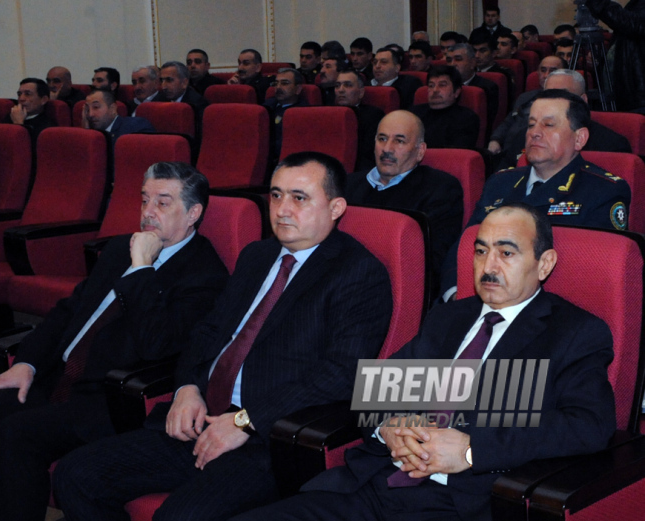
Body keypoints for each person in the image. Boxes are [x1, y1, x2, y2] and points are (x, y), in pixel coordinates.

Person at [54, 151, 393, 521]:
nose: (281, 209)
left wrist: (245, 421)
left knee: (180, 516)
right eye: (276, 195)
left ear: (336, 207)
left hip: (267, 438)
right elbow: (208, 332)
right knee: (76, 475)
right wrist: (186, 388)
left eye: (299, 198)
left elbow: (340, 374)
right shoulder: (258, 256)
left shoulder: (358, 273)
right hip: (201, 418)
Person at [229, 201, 615, 521]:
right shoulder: (450, 317)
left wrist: (470, 450)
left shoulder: (574, 333)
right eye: (480, 251)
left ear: (544, 263)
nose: (489, 266)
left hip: (462, 502)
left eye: (506, 252)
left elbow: (589, 425)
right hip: (373, 487)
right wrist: (389, 427)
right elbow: (374, 390)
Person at [0, 161, 229, 521]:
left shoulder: (204, 275)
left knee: (16, 434)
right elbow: (69, 311)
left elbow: (156, 345)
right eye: (144, 200)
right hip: (56, 376)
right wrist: (27, 363)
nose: (148, 212)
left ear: (193, 213)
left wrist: (142, 268)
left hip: (108, 399)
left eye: (162, 203)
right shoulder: (119, 249)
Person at [440, 89, 631, 300]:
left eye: (548, 125)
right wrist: (454, 294)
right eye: (531, 124)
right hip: (480, 299)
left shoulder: (603, 191)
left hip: (551, 314)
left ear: (580, 138)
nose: (534, 132)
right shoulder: (500, 182)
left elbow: (589, 274)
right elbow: (466, 244)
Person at [346, 109, 463, 288]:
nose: (387, 149)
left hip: (394, 287)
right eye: (382, 139)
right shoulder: (347, 184)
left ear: (420, 151)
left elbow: (431, 261)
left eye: (399, 141)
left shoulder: (441, 189)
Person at [488, 69, 631, 171]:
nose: (552, 102)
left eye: (562, 95)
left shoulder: (611, 145)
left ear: (583, 100)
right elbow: (502, 179)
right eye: (548, 95)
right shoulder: (526, 136)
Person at [488, 55, 567, 157]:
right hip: (507, 151)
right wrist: (495, 140)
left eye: (552, 71)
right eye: (542, 70)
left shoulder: (566, 102)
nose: (546, 75)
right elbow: (508, 122)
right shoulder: (525, 97)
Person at [586, 0, 645, 112]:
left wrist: (598, 3)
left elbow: (632, 24)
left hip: (639, 97)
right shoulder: (635, 5)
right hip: (628, 93)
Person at [410, 65, 480, 149]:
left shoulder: (467, 118)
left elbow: (457, 153)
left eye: (442, 85)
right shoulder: (413, 114)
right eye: (431, 85)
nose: (435, 90)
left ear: (456, 92)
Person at [334, 69, 384, 171]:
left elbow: (369, 154)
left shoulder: (373, 115)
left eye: (347, 85)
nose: (340, 90)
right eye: (337, 85)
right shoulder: (326, 114)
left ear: (361, 92)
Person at [446, 43, 499, 135]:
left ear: (472, 63)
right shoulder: (441, 87)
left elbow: (485, 124)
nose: (452, 64)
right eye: (449, 60)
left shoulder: (487, 87)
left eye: (458, 59)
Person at [82, 89, 155, 146]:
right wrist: (86, 132)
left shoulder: (136, 126)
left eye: (96, 107)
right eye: (87, 109)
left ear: (112, 109)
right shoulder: (92, 130)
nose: (90, 114)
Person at [264, 68, 308, 162]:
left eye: (284, 83)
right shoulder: (266, 106)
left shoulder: (303, 113)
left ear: (298, 89)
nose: (278, 87)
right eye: (276, 83)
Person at [3, 78, 56, 146]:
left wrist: (18, 124)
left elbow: (26, 150)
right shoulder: (11, 116)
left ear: (43, 100)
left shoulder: (48, 127)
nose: (21, 98)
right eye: (19, 94)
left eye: (28, 94)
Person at [156, 60, 207, 127]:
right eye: (162, 80)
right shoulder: (158, 100)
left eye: (169, 80)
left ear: (184, 83)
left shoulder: (197, 104)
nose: (163, 86)